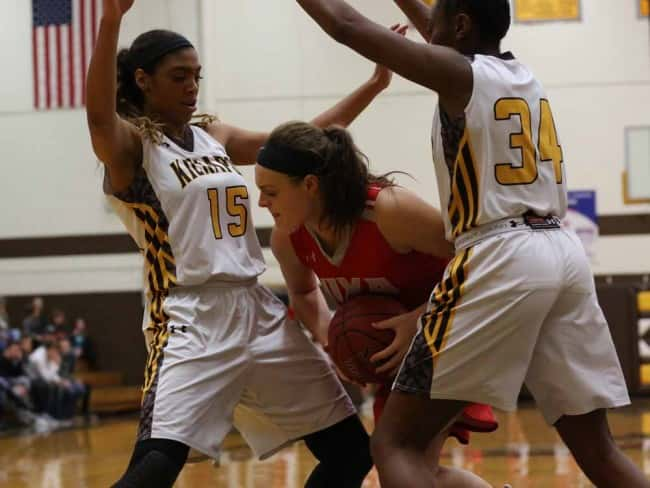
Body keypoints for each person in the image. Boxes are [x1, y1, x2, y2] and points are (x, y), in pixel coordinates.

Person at [292, 1, 647, 487]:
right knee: (599, 450)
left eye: (435, 23)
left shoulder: (462, 76)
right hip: (561, 253)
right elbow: (441, 41)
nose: (426, 35)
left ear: (460, 26)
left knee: (396, 443)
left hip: (500, 252)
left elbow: (345, 25)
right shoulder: (517, 75)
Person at [87, 1, 404, 486]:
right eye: (178, 76)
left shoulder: (212, 135)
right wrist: (110, 21)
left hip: (258, 311)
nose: (193, 86)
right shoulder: (132, 148)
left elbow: (304, 143)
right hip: (189, 317)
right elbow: (97, 118)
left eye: (197, 75)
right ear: (142, 80)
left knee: (351, 454)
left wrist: (374, 86)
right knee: (154, 470)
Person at [256, 121, 496, 487]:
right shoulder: (289, 238)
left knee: (398, 458)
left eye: (270, 192)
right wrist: (329, 339)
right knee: (408, 470)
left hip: (452, 338)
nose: (261, 202)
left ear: (309, 185)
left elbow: (481, 262)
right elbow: (304, 293)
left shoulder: (389, 211)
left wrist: (421, 318)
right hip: (400, 361)